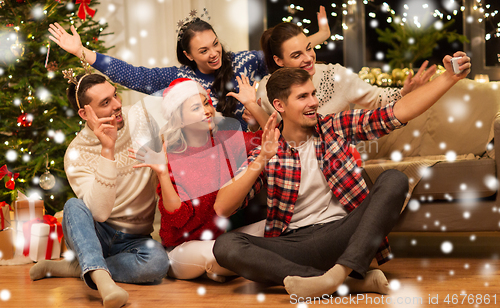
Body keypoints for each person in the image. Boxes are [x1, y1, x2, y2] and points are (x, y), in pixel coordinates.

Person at [212, 51, 470, 298]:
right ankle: (342, 281)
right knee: (225, 246)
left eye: (313, 93)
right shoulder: (268, 148)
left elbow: (396, 113)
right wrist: (262, 158)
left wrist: (448, 78)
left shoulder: (334, 126)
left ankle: (339, 272)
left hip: (343, 235)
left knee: (395, 179)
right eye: (302, 97)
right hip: (293, 244)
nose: (313, 102)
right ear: (279, 105)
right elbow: (223, 207)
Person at [48, 7, 330, 130]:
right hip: (216, 158)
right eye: (203, 51)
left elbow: (284, 54)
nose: (214, 53)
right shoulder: (182, 79)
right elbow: (134, 75)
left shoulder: (245, 61)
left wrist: (320, 37)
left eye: (216, 44)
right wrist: (82, 52)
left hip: (258, 148)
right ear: (188, 55)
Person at [29, 73, 169, 308]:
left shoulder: (141, 118)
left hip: (135, 239)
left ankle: (85, 267)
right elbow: (100, 213)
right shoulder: (76, 153)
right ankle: (104, 283)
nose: (117, 105)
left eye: (114, 95)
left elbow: (181, 109)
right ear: (85, 113)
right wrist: (107, 149)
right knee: (73, 206)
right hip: (96, 233)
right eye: (105, 103)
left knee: (157, 264)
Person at [128, 76, 267, 282]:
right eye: (196, 108)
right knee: (220, 253)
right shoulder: (171, 155)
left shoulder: (226, 140)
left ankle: (222, 268)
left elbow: (272, 138)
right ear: (180, 119)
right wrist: (163, 173)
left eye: (206, 103)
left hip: (221, 240)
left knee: (278, 225)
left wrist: (250, 104)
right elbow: (178, 217)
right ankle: (225, 266)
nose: (206, 111)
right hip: (182, 249)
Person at [255, 22, 437, 117]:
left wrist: (406, 91)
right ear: (279, 60)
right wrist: (253, 117)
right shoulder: (266, 90)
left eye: (309, 48)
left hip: (340, 165)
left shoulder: (336, 76)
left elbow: (378, 99)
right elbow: (264, 137)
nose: (308, 58)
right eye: (297, 55)